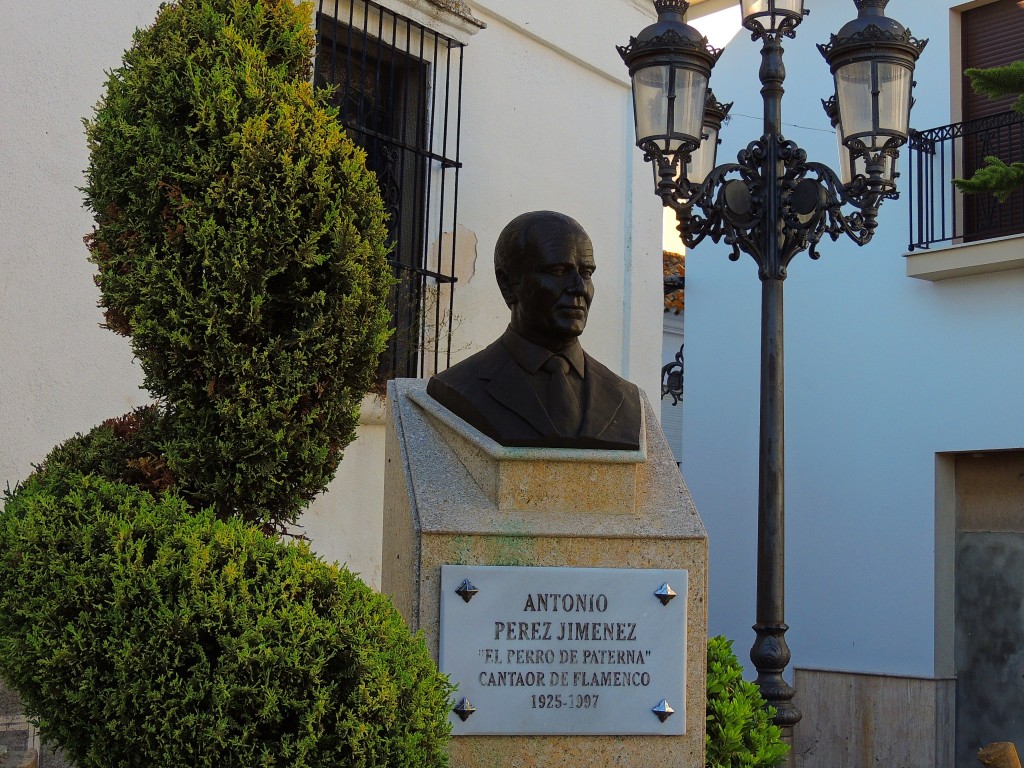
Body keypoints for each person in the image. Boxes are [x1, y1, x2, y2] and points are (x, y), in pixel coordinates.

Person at [426, 211, 641, 450]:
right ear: (508, 284)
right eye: (558, 271)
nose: (579, 288)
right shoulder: (458, 387)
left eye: (586, 274)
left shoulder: (626, 397)